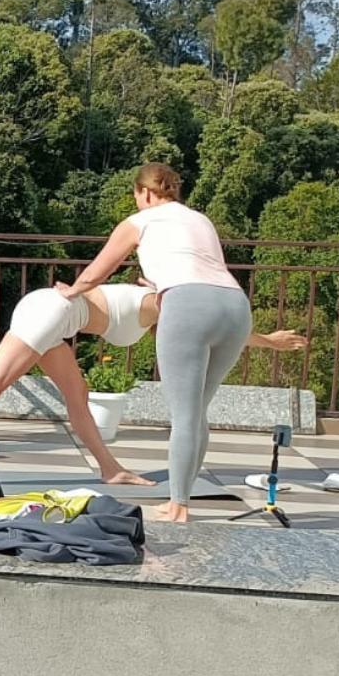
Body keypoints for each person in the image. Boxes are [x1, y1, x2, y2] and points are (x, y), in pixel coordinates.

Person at [0, 282, 309, 488]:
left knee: (77, 396)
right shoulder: (160, 302)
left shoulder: (157, 301)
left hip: (56, 321)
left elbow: (204, 325)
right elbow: (214, 327)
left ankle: (109, 469)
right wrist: (268, 340)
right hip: (50, 312)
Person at [58, 162, 250, 522]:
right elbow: (202, 268)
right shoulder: (200, 219)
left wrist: (73, 291)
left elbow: (101, 269)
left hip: (188, 305)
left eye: (136, 196)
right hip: (236, 306)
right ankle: (182, 497)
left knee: (185, 414)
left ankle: (178, 508)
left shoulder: (140, 222)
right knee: (198, 412)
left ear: (145, 193)